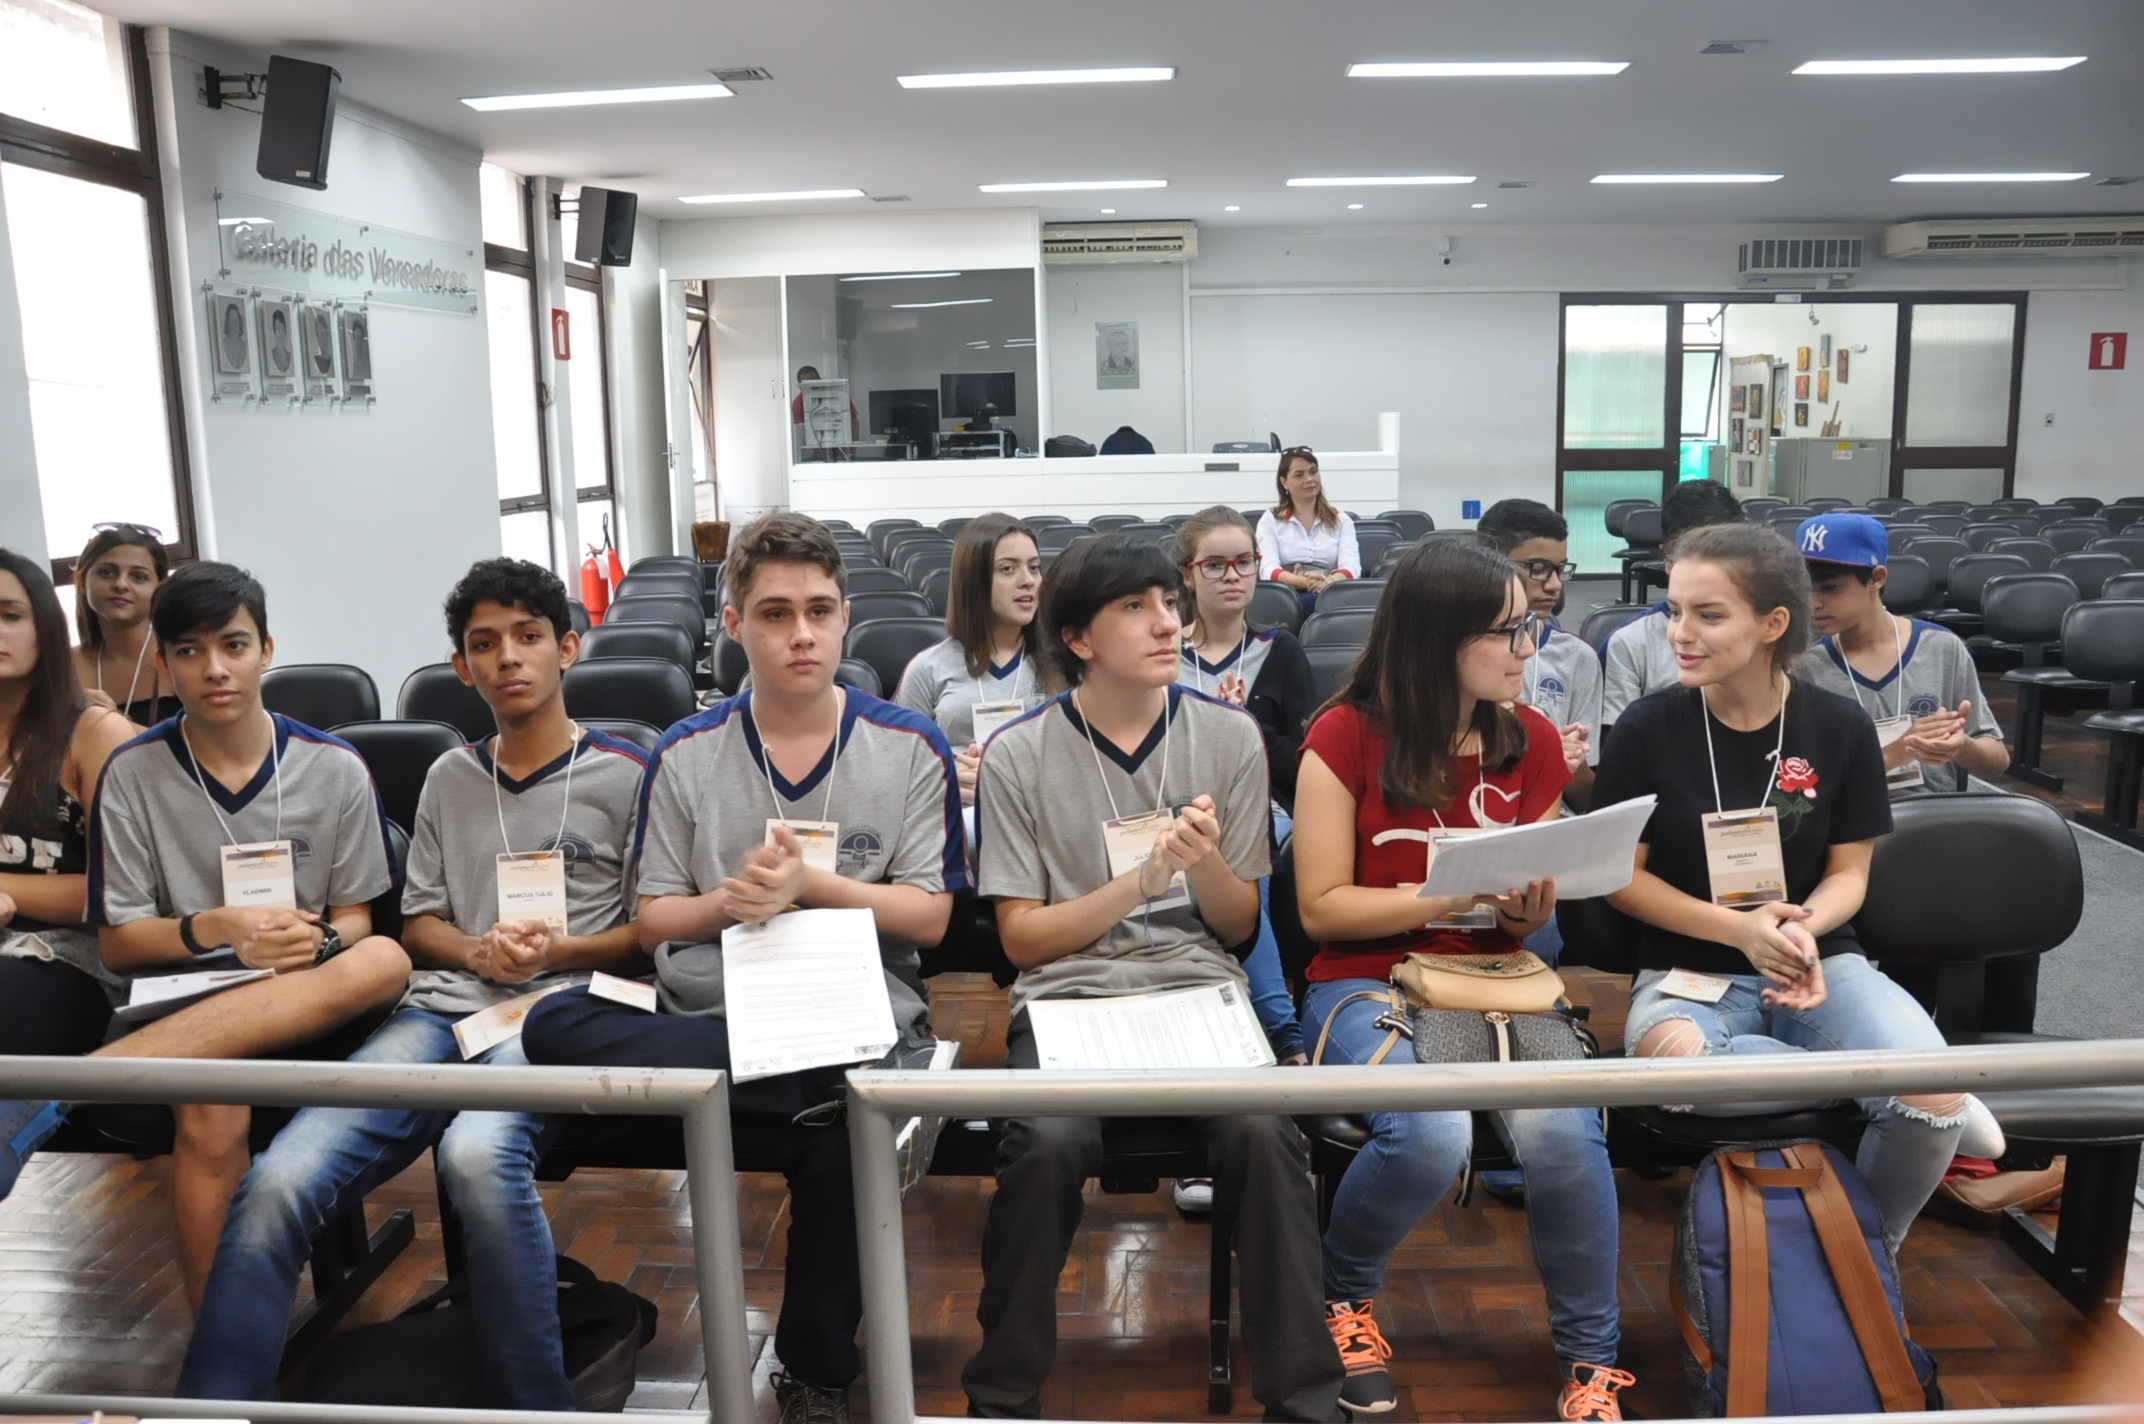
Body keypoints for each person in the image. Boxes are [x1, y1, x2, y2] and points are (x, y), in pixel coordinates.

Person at [521, 512, 965, 1424]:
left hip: (853, 1007)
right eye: (774, 614)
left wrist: (812, 884)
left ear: (845, 617)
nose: (800, 635)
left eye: (818, 611)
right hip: (719, 1018)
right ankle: (826, 1091)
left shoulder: (906, 742)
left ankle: (810, 1368)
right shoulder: (685, 752)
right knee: (549, 1022)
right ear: (734, 625)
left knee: (837, 1138)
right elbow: (652, 924)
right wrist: (732, 903)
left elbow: (930, 915)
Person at [177, 557, 650, 1406]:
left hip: (563, 1016)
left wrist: (558, 956)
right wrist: (477, 953)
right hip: (443, 1014)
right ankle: (213, 1403)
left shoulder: (625, 773)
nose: (508, 658)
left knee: (475, 1155)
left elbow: (646, 939)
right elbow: (418, 926)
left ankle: (534, 1402)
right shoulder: (449, 776)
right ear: (461, 667)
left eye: (528, 638)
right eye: (483, 645)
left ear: (567, 648)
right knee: (282, 1175)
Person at [961, 534, 1342, 1422]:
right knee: (1045, 1147)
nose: (1168, 621)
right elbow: (1023, 943)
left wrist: (1202, 863)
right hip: (1069, 1000)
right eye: (1136, 608)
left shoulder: (1227, 736)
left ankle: (1304, 1400)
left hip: (1198, 994)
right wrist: (1138, 881)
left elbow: (1240, 927)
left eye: (1168, 602)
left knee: (1266, 1132)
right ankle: (1002, 1396)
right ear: (1080, 639)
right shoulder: (1020, 754)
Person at [1591, 523, 2000, 1261]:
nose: (1680, 633)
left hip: (1821, 959)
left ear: (1773, 624)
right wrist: (1740, 932)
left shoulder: (1838, 725)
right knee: (1678, 1069)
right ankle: (1867, 1073)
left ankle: (1859, 1260)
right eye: (1675, 610)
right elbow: (1621, 878)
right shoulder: (1648, 728)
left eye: (1707, 615)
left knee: (1932, 1095)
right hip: (1694, 972)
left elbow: (1850, 873)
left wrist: (1803, 930)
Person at [1293, 538, 1629, 1422]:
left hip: (1500, 977)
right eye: (1510, 630)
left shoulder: (1534, 742)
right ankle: (1342, 1297)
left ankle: (1593, 1362)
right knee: (1432, 1137)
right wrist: (1445, 892)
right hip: (1378, 979)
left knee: (1565, 1134)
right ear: (1442, 635)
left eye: (1533, 627)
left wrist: (1521, 911)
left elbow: (1529, 923)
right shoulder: (1344, 736)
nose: (1531, 648)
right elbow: (1323, 910)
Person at [51, 562, 410, 1307]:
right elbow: (118, 945)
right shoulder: (131, 772)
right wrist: (212, 926)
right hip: (191, 1001)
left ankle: (61, 1090)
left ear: (267, 650)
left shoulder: (334, 768)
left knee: (381, 955)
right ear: (165, 662)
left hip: (311, 991)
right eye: (189, 651)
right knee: (211, 1103)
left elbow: (354, 923)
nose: (214, 668)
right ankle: (227, 1342)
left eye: (234, 645)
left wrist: (317, 945)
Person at [0, 549, 139, 1165]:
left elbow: (121, 891)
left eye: (9, 615)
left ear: (45, 628)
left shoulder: (92, 733)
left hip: (76, 958)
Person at [1793, 512, 2008, 795]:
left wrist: (1961, 747)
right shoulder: (1802, 662)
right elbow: (1800, 780)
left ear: (1876, 579)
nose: (1813, 603)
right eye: (1805, 588)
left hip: (1931, 820)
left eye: (1830, 588)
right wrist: (1899, 751)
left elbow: (1998, 762)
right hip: (1845, 824)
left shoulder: (1941, 648)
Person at [896, 513, 1044, 807]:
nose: (1028, 581)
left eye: (1035, 567)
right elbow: (900, 767)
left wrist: (1002, 782)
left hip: (1040, 817)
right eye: (1007, 568)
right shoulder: (927, 668)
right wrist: (948, 781)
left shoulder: (1065, 662)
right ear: (973, 580)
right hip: (952, 821)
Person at [1477, 499, 1601, 804]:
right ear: (1492, 560)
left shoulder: (1577, 657)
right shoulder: (1465, 652)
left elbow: (1586, 799)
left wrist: (1570, 758)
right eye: (1539, 569)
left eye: (1560, 569)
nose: (1555, 584)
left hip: (1555, 818)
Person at [1600, 481, 1745, 729]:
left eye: (1722, 556)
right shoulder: (1631, 643)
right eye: (1692, 557)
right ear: (1667, 560)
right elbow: (1617, 745)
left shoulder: (1760, 630)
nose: (1708, 571)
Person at [70, 523, 179, 725]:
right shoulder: (62, 665)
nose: (120, 584)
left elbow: (202, 749)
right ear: (83, 582)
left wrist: (117, 723)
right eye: (107, 572)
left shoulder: (181, 655)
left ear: (160, 588)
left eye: (138, 577)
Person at [1256, 447, 1362, 614]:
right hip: (1288, 595)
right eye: (1299, 475)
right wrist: (1304, 582)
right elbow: (1268, 569)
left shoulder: (1341, 519)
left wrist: (1327, 582)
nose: (1309, 479)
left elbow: (1352, 567)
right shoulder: (1270, 519)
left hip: (1330, 592)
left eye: (1313, 472)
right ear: (1284, 482)